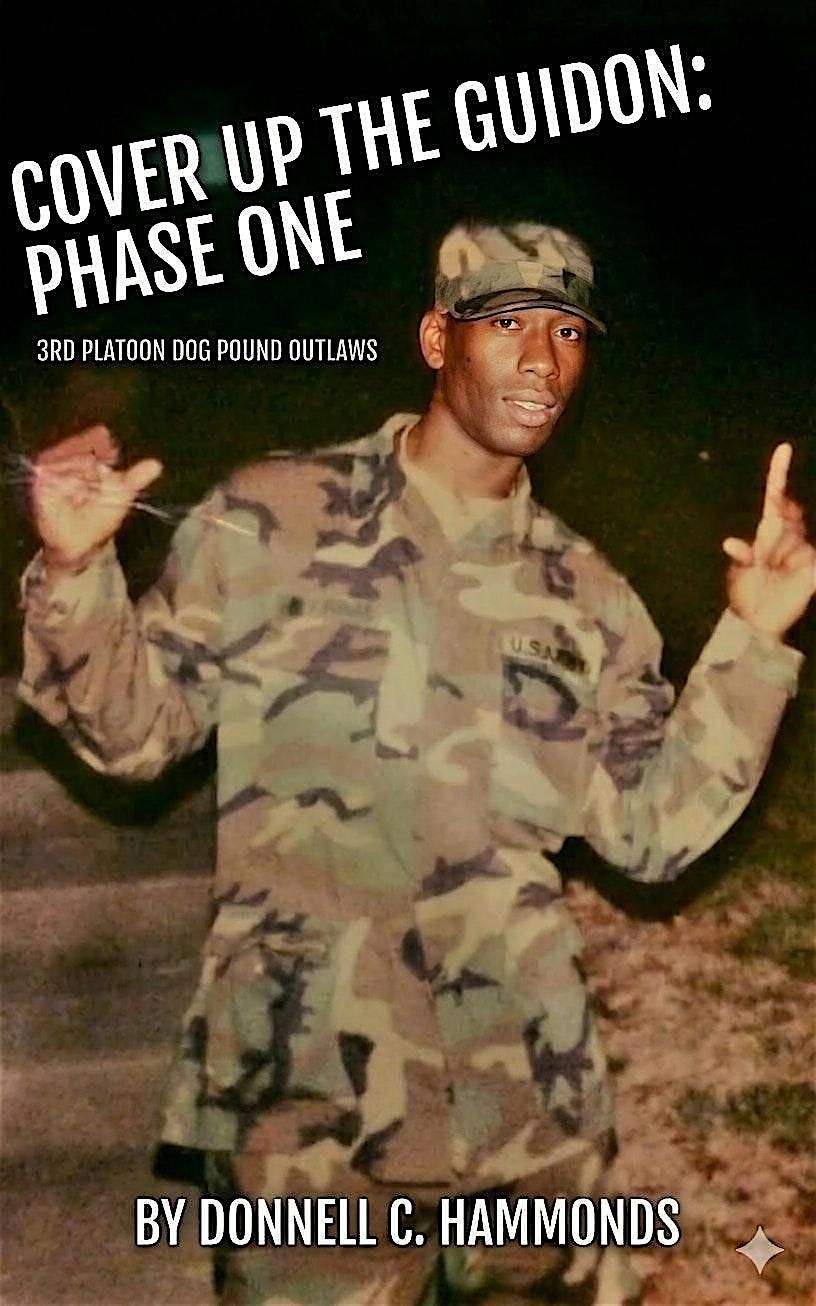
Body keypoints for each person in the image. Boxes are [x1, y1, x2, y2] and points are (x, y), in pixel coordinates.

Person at [19, 221, 814, 1306]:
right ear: (439, 339)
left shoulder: (591, 599)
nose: (543, 361)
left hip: (527, 1104)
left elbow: (651, 832)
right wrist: (75, 573)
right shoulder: (272, 518)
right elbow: (133, 735)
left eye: (569, 333)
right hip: (306, 1108)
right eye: (509, 322)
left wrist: (755, 643)